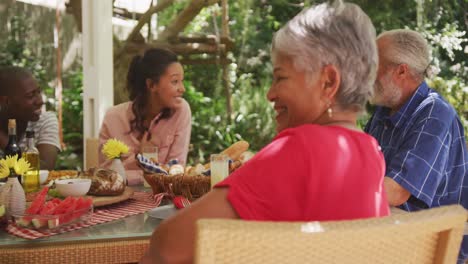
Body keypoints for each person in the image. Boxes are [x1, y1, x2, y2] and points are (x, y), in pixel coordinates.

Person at [140, 1, 389, 263]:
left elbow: (166, 247)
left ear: (328, 81)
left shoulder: (300, 148)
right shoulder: (370, 151)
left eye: (280, 78)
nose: (270, 94)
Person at [365, 29, 468, 263]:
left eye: (373, 65)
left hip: (434, 248)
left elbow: (395, 191)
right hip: (391, 233)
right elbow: (358, 168)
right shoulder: (383, 112)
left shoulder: (435, 113)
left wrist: (332, 192)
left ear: (401, 70)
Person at [99, 48, 191, 185]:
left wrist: (136, 169)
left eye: (181, 81)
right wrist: (140, 159)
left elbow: (176, 170)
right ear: (151, 85)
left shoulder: (181, 111)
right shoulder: (113, 118)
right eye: (175, 81)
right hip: (121, 200)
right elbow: (106, 176)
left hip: (163, 198)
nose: (182, 88)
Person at [0, 66, 61, 170]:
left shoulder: (45, 120)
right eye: (30, 96)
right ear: (6, 101)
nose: (40, 101)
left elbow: (44, 168)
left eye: (38, 92)